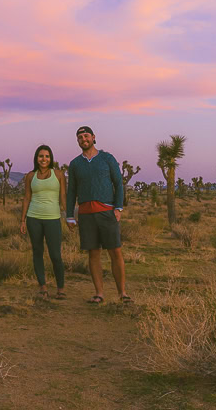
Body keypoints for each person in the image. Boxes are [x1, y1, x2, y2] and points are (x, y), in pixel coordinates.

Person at [65, 126, 130, 304]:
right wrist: (69, 215)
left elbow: (118, 182)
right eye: (80, 137)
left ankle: (122, 293)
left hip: (107, 212)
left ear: (94, 137)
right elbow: (71, 191)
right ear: (77, 141)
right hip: (86, 214)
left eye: (86, 136)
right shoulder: (75, 164)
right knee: (93, 253)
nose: (83, 139)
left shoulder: (107, 158)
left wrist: (118, 208)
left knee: (115, 251)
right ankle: (99, 293)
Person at [20, 144, 67, 299]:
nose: (44, 159)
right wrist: (23, 220)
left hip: (53, 219)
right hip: (34, 218)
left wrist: (69, 217)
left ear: (51, 158)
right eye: (41, 156)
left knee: (55, 255)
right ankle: (43, 287)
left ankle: (60, 288)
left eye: (47, 156)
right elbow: (27, 198)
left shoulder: (59, 174)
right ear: (36, 158)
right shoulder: (30, 176)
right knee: (37, 252)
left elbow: (63, 198)